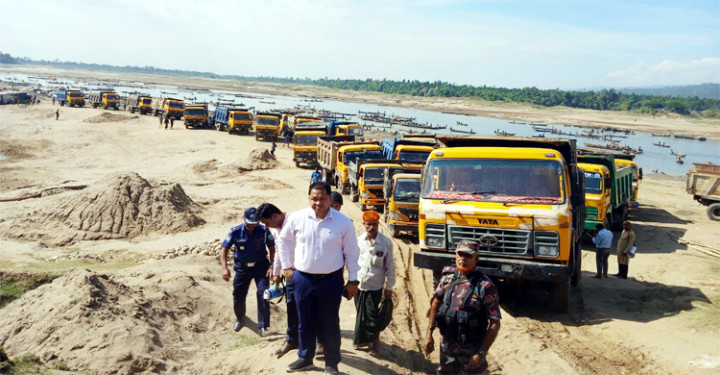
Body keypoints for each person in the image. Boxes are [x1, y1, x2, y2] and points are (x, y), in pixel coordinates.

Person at [279, 182, 360, 375]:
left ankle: (331, 363)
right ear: (309, 198)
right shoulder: (297, 218)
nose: (318, 203)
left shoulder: (343, 222)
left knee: (330, 321)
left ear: (330, 199)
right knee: (304, 320)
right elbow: (283, 240)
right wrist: (286, 266)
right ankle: (305, 358)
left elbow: (352, 253)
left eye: (322, 198)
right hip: (302, 279)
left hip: (331, 280)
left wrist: (353, 280)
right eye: (314, 198)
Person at [424, 240, 502, 375]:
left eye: (468, 255)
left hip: (471, 349)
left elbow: (495, 322)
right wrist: (429, 333)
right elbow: (435, 304)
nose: (462, 259)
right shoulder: (448, 279)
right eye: (460, 254)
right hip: (447, 345)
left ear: (476, 258)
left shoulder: (485, 286)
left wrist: (481, 354)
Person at [220, 207, 275, 337]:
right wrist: (224, 268)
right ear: (244, 219)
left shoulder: (264, 231)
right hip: (242, 268)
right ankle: (240, 318)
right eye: (249, 224)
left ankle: (263, 326)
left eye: (254, 224)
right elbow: (224, 249)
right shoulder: (235, 232)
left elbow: (272, 248)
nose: (251, 227)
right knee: (238, 294)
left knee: (264, 294)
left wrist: (273, 266)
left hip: (261, 267)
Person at [256, 203, 297, 358]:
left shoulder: (295, 221)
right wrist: (276, 271)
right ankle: (292, 340)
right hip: (290, 274)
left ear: (274, 216)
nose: (267, 226)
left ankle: (318, 341)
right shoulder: (275, 229)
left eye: (267, 223)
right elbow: (279, 250)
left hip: (305, 272)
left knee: (310, 308)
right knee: (291, 307)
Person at [354, 210, 395, 355]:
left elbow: (390, 266)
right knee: (361, 315)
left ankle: (375, 346)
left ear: (378, 224)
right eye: (368, 224)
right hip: (359, 286)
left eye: (374, 224)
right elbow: (353, 262)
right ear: (364, 224)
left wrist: (389, 287)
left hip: (375, 287)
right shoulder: (358, 241)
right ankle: (362, 341)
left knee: (373, 318)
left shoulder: (386, 243)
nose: (372, 227)